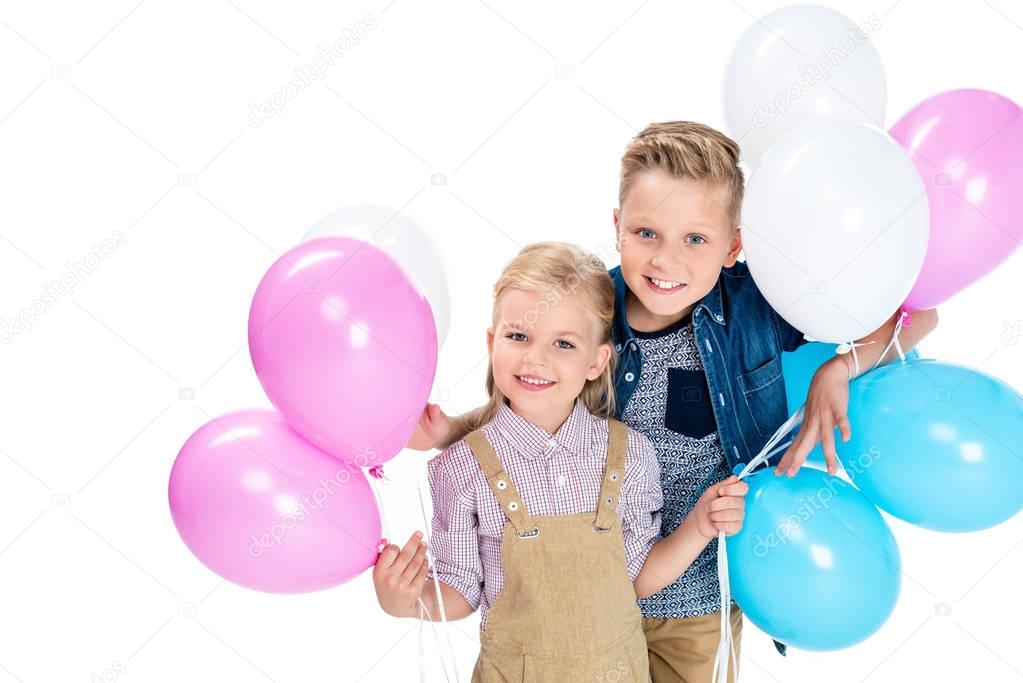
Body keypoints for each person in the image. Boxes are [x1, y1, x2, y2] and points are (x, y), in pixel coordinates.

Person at [408, 122, 938, 681]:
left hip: (701, 599)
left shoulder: (760, 302)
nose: (666, 261)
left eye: (696, 240)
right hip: (592, 597)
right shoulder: (591, 305)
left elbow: (917, 314)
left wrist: (839, 366)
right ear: (617, 228)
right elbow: (533, 396)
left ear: (733, 244)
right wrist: (455, 430)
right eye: (647, 233)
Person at [374, 242, 749, 682]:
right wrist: (406, 600)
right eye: (519, 336)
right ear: (493, 342)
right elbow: (460, 590)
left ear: (596, 362)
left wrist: (700, 524)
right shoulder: (460, 469)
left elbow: (637, 578)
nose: (536, 358)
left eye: (564, 343)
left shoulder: (629, 454)